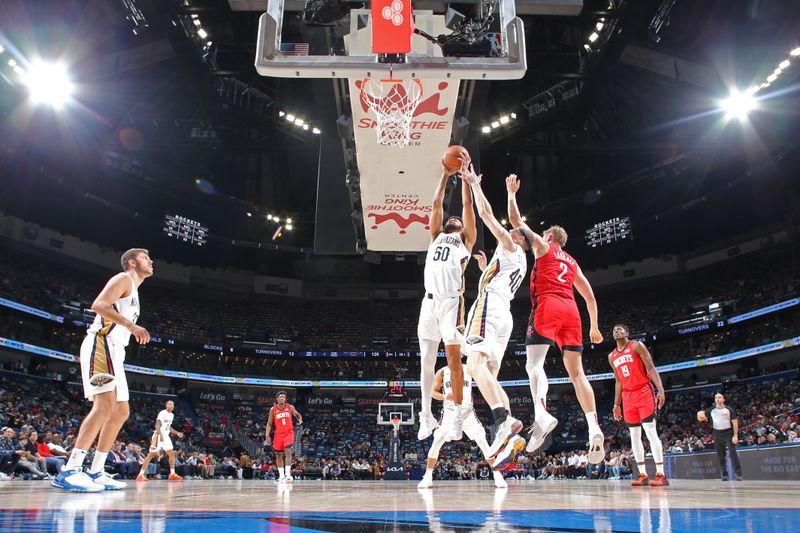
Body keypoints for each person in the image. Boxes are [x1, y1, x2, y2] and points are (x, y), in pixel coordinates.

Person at [505, 175, 605, 463]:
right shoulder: (573, 262)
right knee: (577, 374)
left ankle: (541, 412)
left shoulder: (543, 247)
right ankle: (594, 427)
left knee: (534, 363)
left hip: (548, 305)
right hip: (572, 312)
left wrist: (511, 193)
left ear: (549, 237)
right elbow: (590, 297)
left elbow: (514, 219)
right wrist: (595, 327)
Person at [51, 248, 153, 492]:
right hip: (102, 343)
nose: (151, 261)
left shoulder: (135, 290)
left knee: (121, 412)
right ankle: (69, 470)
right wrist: (132, 326)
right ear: (131, 262)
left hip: (117, 350)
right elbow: (99, 305)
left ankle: (96, 470)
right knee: (104, 406)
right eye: (145, 257)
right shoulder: (123, 278)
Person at [459, 166, 528, 467]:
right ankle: (508, 431)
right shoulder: (515, 261)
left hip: (490, 307)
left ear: (520, 240)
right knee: (488, 376)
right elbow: (497, 277)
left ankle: (501, 421)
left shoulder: (512, 247)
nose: (509, 231)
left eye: (514, 232)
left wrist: (474, 185)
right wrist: (486, 267)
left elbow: (486, 214)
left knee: (473, 364)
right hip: (504, 316)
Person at [417, 158, 477, 440]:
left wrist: (465, 180)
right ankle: (426, 416)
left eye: (457, 221)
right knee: (426, 360)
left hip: (451, 303)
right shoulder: (435, 236)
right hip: (428, 303)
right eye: (450, 220)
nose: (453, 218)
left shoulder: (465, 241)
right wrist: (443, 174)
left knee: (454, 362)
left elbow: (466, 207)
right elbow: (436, 205)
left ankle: (454, 416)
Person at [418, 364, 507, 489]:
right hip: (449, 412)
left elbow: (485, 382)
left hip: (468, 412)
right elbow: (432, 392)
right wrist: (444, 396)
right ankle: (427, 477)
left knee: (483, 442)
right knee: (436, 442)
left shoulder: (469, 368)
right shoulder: (442, 371)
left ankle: (498, 475)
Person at [609, 324, 668, 486]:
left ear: (627, 333)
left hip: (643, 391)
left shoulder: (636, 346)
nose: (617, 331)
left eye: (620, 329)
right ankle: (642, 474)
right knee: (634, 435)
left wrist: (660, 390)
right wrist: (616, 404)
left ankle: (661, 474)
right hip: (628, 396)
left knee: (650, 431)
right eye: (614, 330)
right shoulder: (611, 356)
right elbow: (618, 381)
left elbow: (650, 367)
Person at [697, 392, 742, 481]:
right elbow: (699, 416)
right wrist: (700, 416)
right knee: (721, 455)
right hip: (717, 433)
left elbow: (735, 423)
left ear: (723, 399)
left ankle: (738, 474)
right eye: (716, 397)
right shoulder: (711, 410)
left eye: (719, 397)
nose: (717, 398)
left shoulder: (729, 410)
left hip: (728, 432)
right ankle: (724, 474)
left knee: (732, 452)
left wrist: (735, 435)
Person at [136, 400, 185, 481]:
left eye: (173, 404)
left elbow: (168, 427)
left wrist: (177, 433)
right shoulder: (162, 413)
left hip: (166, 436)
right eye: (169, 404)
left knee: (171, 453)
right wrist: (160, 434)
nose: (171, 405)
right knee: (151, 455)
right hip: (158, 435)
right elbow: (157, 424)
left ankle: (172, 474)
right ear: (166, 405)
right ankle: (140, 475)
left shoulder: (172, 415)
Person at [265, 391, 303, 483]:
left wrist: (300, 419)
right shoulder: (273, 409)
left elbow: (297, 414)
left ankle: (288, 474)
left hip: (288, 432)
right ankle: (281, 476)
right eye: (280, 396)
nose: (282, 398)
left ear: (285, 399)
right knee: (278, 454)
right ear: (277, 399)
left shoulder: (290, 407)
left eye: (283, 397)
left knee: (288, 450)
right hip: (278, 434)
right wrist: (267, 435)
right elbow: (269, 424)